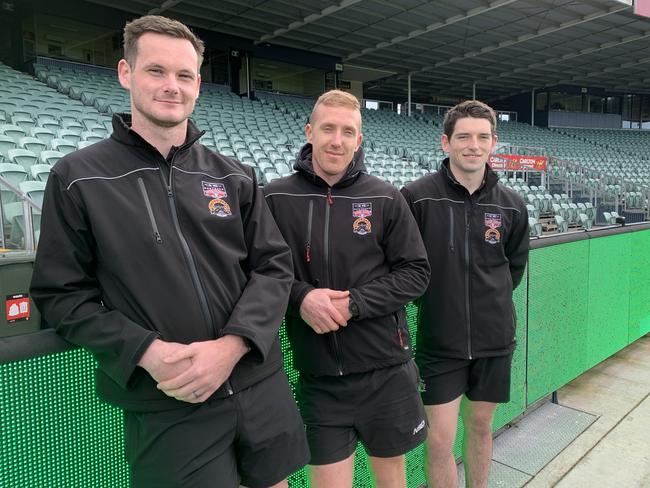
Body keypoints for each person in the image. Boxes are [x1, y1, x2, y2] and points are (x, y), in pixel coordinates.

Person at [30, 15, 309, 488]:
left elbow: (274, 266)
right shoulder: (78, 177)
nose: (171, 87)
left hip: (258, 385)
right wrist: (144, 352)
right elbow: (61, 296)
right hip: (168, 400)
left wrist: (233, 345)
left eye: (184, 75)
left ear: (198, 83)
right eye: (156, 71)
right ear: (125, 73)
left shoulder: (233, 175)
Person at [263, 90, 431, 488]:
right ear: (309, 131)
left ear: (359, 139)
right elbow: (258, 274)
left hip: (386, 370)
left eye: (347, 131)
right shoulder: (274, 197)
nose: (336, 140)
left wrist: (355, 303)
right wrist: (301, 299)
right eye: (328, 128)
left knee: (390, 479)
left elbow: (416, 272)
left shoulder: (386, 197)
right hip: (319, 378)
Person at [401, 100, 529, 488]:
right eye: (464, 137)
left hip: (494, 341)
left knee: (480, 427)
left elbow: (514, 268)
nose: (473, 145)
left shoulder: (512, 205)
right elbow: (405, 266)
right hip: (440, 344)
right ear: (446, 142)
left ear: (494, 143)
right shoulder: (417, 198)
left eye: (482, 137)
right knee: (439, 440)